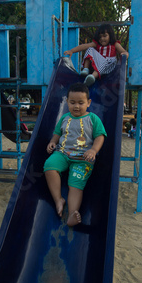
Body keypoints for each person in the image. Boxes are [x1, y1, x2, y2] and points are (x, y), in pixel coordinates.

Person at [44, 82, 107, 226]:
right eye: (72, 102)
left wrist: (93, 150)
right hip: (63, 153)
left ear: (88, 103)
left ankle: (72, 213)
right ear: (67, 102)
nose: (76, 106)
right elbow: (57, 133)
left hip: (83, 158)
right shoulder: (65, 118)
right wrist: (53, 142)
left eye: (80, 102)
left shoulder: (93, 119)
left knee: (75, 185)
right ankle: (58, 199)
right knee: (49, 166)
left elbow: (100, 136)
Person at [64, 23, 129, 87]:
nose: (102, 39)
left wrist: (125, 54)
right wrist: (72, 51)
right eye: (100, 37)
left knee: (106, 61)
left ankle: (92, 77)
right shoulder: (97, 44)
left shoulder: (115, 44)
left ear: (110, 35)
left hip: (109, 67)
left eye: (105, 36)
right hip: (99, 64)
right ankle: (86, 69)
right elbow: (84, 46)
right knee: (90, 48)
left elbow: (124, 52)